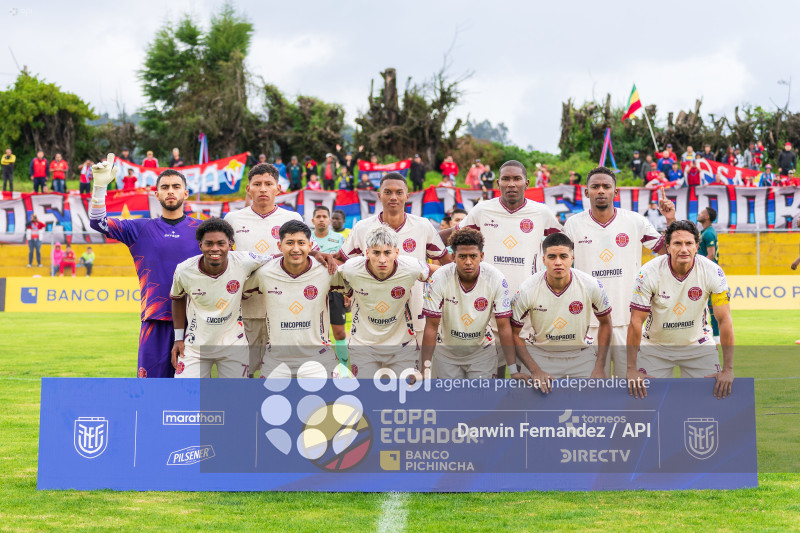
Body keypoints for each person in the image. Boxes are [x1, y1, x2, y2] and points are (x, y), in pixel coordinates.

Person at [440, 160, 562, 377]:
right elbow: (450, 236)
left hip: (527, 307)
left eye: (516, 179)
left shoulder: (542, 213)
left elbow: (564, 245)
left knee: (526, 378)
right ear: (498, 183)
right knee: (493, 377)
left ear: (527, 182)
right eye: (506, 179)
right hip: (488, 308)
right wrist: (424, 245)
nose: (511, 184)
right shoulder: (482, 210)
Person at [90, 155, 202, 378]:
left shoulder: (204, 231)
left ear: (186, 193)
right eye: (165, 187)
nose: (171, 191)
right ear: (157, 194)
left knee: (193, 392)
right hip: (155, 319)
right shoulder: (140, 228)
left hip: (197, 321)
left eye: (177, 187)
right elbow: (98, 223)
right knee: (150, 390)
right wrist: (99, 187)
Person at [563, 168, 674, 377]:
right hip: (590, 324)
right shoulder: (573, 224)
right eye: (595, 187)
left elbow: (667, 249)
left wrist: (670, 220)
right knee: (592, 389)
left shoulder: (634, 221)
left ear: (616, 192)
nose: (601, 191)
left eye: (606, 186)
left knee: (632, 387)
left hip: (629, 321)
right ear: (586, 192)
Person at [224, 163, 329, 378]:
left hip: (287, 311)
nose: (263, 189)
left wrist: (320, 254)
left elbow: (309, 250)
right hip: (247, 311)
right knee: (244, 372)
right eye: (257, 184)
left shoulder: (292, 219)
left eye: (268, 184)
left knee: (285, 373)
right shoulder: (232, 220)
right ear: (248, 189)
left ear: (278, 189)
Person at [627, 220, 734, 399]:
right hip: (655, 347)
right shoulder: (648, 273)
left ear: (697, 246)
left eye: (689, 243)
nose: (683, 249)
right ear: (668, 247)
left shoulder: (713, 272)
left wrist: (728, 369)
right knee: (648, 403)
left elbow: (724, 320)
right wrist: (631, 369)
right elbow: (636, 321)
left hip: (698, 345)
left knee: (710, 402)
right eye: (677, 243)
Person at [338, 173, 450, 343]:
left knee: (415, 369)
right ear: (379, 195)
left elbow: (446, 263)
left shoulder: (422, 226)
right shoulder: (362, 228)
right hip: (372, 315)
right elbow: (343, 263)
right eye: (388, 192)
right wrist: (347, 290)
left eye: (399, 192)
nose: (393, 197)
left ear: (407, 196)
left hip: (416, 311)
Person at [420, 228, 527, 380]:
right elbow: (431, 326)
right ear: (453, 257)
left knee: (481, 403)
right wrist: (425, 368)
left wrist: (513, 370)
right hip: (446, 354)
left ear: (481, 256)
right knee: (449, 403)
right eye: (462, 256)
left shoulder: (495, 278)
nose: (468, 262)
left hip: (481, 353)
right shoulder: (439, 277)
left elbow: (503, 326)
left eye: (473, 256)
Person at [170, 218, 270, 379]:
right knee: (186, 398)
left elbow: (278, 259)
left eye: (220, 243)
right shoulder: (184, 270)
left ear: (230, 245)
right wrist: (178, 339)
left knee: (234, 401)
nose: (214, 249)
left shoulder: (243, 261)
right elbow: (177, 298)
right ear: (200, 245)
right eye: (209, 243)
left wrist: (314, 253)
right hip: (195, 347)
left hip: (233, 345)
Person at [245, 220, 345, 378]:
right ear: (279, 246)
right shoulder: (264, 273)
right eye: (289, 243)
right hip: (277, 359)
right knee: (268, 402)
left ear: (310, 245)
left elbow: (357, 287)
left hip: (318, 357)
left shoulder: (326, 271)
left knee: (329, 402)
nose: (296, 249)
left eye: (301, 243)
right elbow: (237, 293)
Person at [510, 233, 612, 388]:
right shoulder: (527, 289)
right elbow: (513, 334)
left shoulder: (591, 285)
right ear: (543, 260)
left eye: (563, 256)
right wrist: (535, 369)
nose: (558, 262)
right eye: (552, 257)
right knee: (533, 407)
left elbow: (606, 322)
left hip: (581, 354)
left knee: (592, 406)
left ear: (572, 258)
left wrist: (599, 366)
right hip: (541, 354)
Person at [338, 225, 437, 378]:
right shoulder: (351, 269)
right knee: (368, 396)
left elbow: (440, 272)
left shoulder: (411, 267)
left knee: (405, 396)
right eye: (376, 253)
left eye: (387, 253)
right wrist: (346, 292)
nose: (382, 259)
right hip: (363, 346)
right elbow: (329, 276)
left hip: (403, 346)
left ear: (396, 252)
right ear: (367, 253)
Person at [310, 206, 348, 364]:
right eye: (318, 216)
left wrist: (347, 292)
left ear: (329, 220)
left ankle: (344, 366)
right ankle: (318, 365)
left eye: (324, 216)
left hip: (335, 290)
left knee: (339, 332)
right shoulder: (307, 238)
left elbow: (346, 264)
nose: (321, 219)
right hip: (311, 291)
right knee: (315, 333)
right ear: (312, 220)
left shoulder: (339, 239)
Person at [698, 207, 720, 342]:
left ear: (706, 217)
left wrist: (697, 266)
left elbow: (711, 255)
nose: (699, 214)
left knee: (710, 305)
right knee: (707, 305)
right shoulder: (707, 232)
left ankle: (716, 336)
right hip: (707, 272)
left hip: (707, 273)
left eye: (701, 213)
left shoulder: (708, 234)